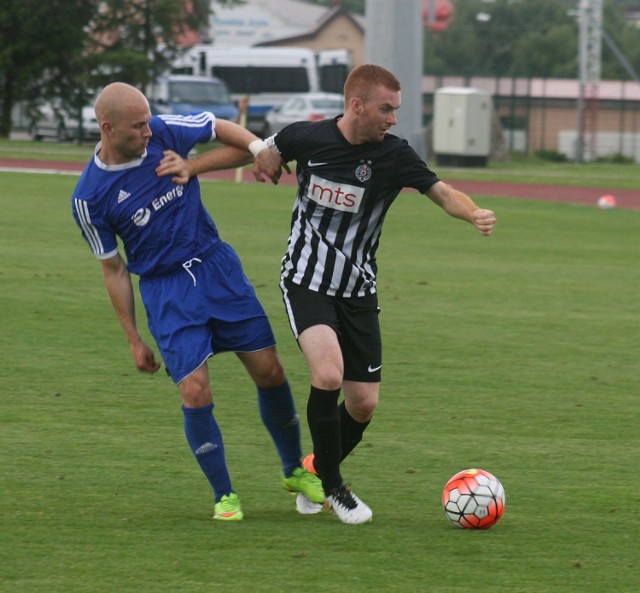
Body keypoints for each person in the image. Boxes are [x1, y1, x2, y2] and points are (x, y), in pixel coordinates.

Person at [159, 64, 497, 525]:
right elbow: (254, 152)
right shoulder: (307, 138)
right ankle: (335, 488)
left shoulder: (395, 155)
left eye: (396, 110)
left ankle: (316, 467)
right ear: (356, 105)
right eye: (386, 109)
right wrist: (205, 165)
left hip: (358, 289)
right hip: (306, 279)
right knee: (328, 372)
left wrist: (473, 212)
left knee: (364, 403)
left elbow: (441, 193)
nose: (393, 119)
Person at [70, 82, 323, 522]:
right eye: (138, 126)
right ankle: (224, 494)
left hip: (216, 268)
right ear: (108, 128)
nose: (149, 132)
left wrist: (204, 162)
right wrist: (133, 338)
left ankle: (292, 470)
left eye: (149, 121)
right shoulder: (89, 197)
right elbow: (113, 269)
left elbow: (225, 133)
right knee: (194, 389)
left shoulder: (165, 132)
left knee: (271, 371)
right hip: (166, 291)